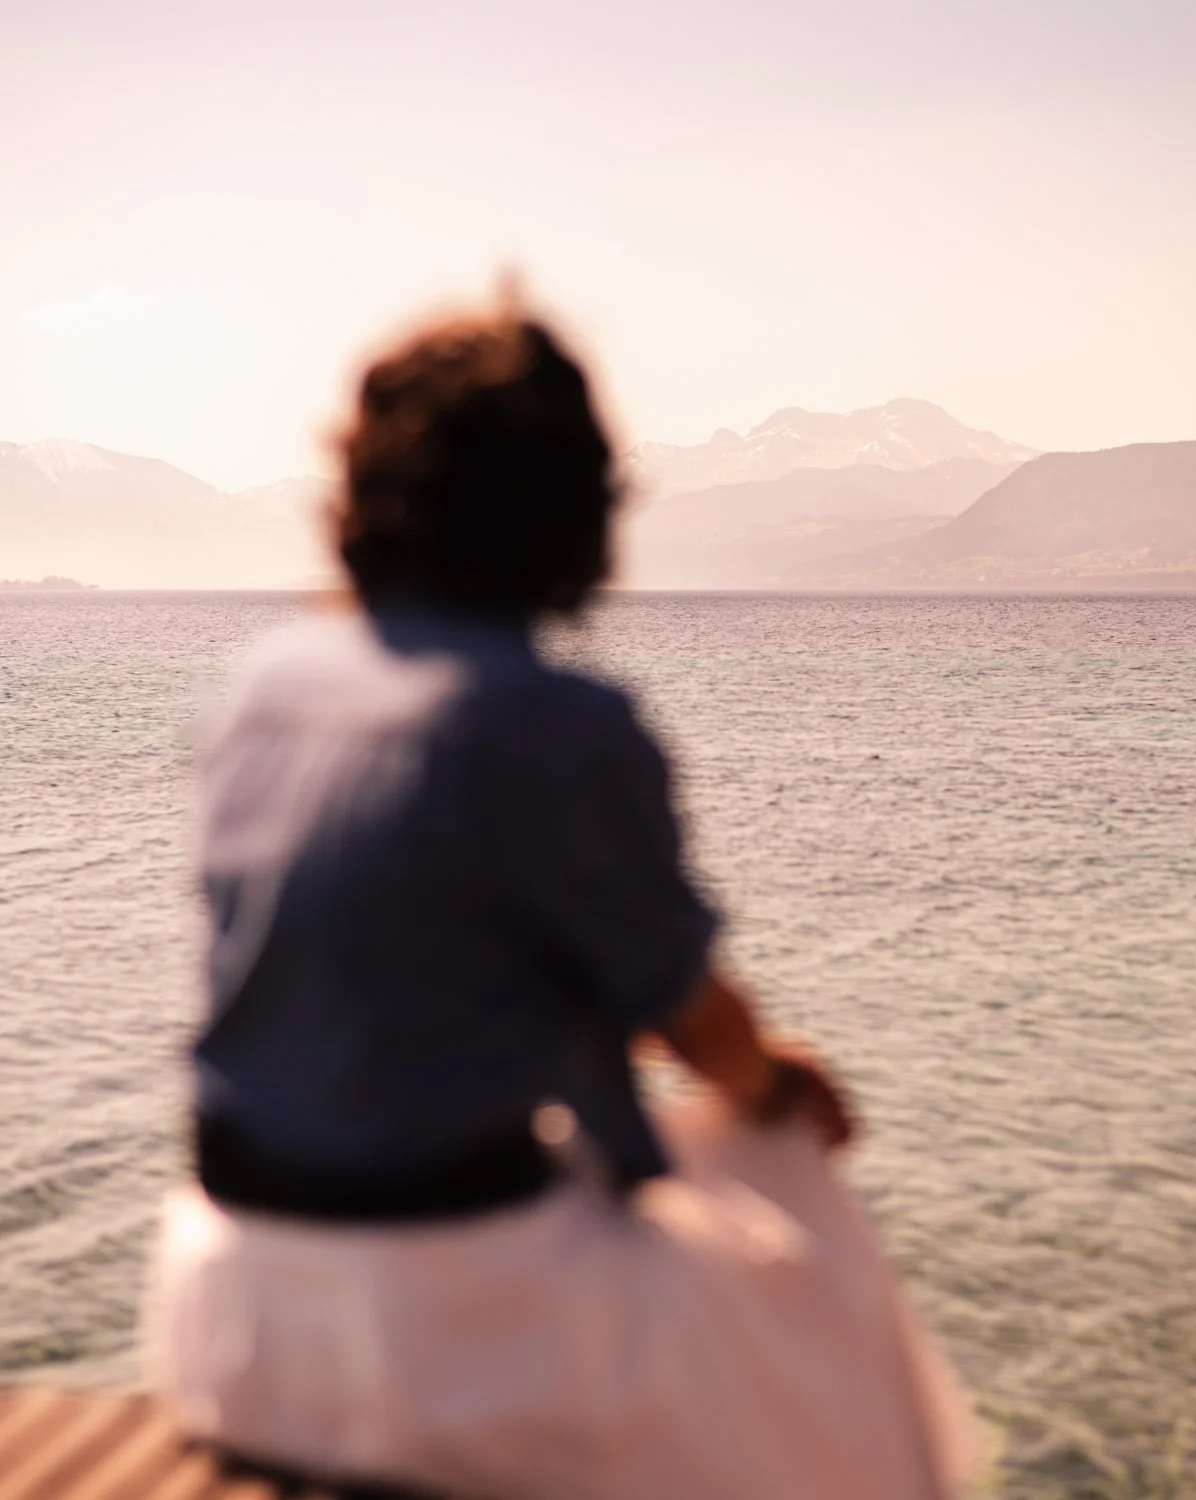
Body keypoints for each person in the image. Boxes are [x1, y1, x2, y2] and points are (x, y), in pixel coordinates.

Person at [147, 306, 978, 1500]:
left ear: (361, 496)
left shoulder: (252, 692)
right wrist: (777, 1087)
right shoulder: (556, 726)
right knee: (795, 1215)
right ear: (573, 512)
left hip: (232, 1314)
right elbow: (688, 1021)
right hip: (448, 1334)